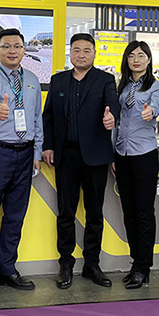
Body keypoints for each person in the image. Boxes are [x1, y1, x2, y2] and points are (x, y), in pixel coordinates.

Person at [42, 33, 120, 290]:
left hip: (95, 156)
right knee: (65, 212)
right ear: (70, 53)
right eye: (77, 50)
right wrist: (48, 145)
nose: (81, 55)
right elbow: (48, 116)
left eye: (87, 50)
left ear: (94, 53)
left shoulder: (105, 80)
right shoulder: (58, 80)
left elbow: (113, 105)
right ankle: (65, 264)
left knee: (94, 213)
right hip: (66, 156)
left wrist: (112, 117)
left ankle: (92, 265)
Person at [0, 28, 43, 301]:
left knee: (15, 216)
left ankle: (7, 269)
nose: (12, 51)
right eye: (6, 46)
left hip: (25, 154)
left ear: (24, 50)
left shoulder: (32, 80)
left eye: (17, 46)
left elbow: (36, 118)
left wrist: (36, 152)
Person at [111, 41, 159, 289]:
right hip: (122, 154)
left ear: (149, 59)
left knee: (144, 212)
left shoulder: (156, 86)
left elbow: (155, 106)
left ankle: (144, 267)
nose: (136, 59)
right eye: (132, 55)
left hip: (144, 154)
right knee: (129, 212)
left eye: (141, 55)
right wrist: (113, 153)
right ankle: (136, 262)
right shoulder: (121, 86)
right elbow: (117, 120)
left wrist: (150, 112)